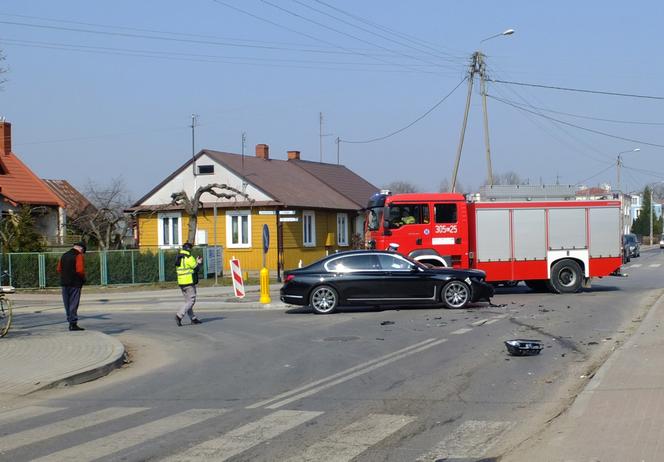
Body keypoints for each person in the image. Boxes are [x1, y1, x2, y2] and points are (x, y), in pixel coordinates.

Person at [57, 242, 86, 331]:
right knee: (73, 303)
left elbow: (58, 269)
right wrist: (83, 278)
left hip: (64, 283)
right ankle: (73, 323)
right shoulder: (78, 256)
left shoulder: (64, 255)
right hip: (75, 283)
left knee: (67, 304)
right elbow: (80, 270)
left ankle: (70, 320)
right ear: (81, 249)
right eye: (83, 250)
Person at [175, 242, 203, 326]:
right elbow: (196, 268)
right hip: (189, 282)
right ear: (189, 249)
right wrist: (199, 262)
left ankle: (193, 318)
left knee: (188, 301)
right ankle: (179, 315)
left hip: (181, 282)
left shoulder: (178, 257)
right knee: (191, 301)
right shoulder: (189, 258)